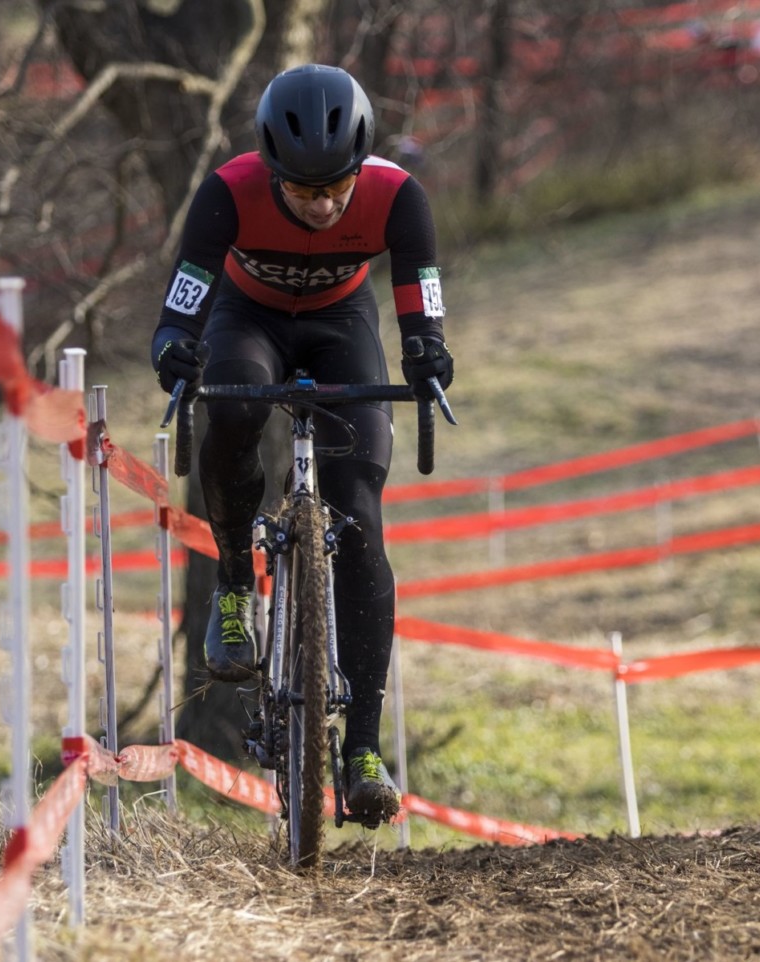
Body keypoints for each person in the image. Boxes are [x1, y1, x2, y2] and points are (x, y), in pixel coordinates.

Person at [150, 64, 453, 825]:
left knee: (360, 512)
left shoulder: (397, 196)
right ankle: (231, 586)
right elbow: (185, 294)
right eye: (302, 191)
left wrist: (426, 349)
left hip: (340, 324)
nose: (321, 207)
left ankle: (361, 750)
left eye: (335, 190)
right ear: (272, 171)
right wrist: (173, 346)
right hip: (246, 319)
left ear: (359, 170)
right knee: (234, 415)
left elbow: (420, 290)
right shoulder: (229, 190)